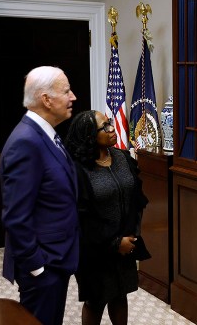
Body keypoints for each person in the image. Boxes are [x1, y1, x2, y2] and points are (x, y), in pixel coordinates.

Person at [0, 66, 79, 325]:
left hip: (58, 257)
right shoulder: (27, 141)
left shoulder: (46, 133)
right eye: (66, 91)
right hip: (44, 265)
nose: (73, 97)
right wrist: (37, 266)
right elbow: (15, 216)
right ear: (46, 99)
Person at [65, 110, 150, 325]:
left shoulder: (122, 157)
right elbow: (81, 218)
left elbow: (136, 199)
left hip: (125, 243)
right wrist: (114, 243)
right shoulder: (77, 169)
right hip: (94, 248)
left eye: (110, 123)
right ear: (89, 135)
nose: (112, 129)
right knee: (96, 300)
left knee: (120, 295)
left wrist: (131, 235)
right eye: (104, 127)